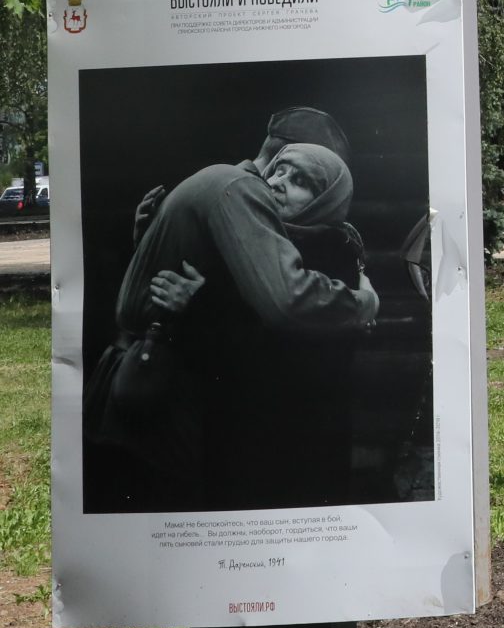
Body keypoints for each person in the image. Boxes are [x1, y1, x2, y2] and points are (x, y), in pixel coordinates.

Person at [96, 139, 378, 512]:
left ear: (326, 198)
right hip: (248, 433)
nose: (278, 182)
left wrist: (201, 304)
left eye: (300, 180)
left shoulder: (330, 249)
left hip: (291, 441)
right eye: (279, 169)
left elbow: (286, 349)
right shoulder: (267, 235)